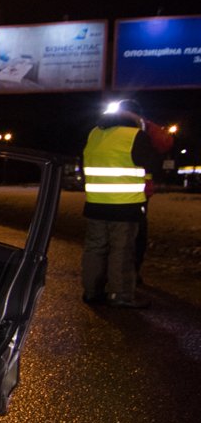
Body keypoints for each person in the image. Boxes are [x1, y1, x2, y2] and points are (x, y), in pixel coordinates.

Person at [80, 99, 160, 307]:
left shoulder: (94, 134)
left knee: (95, 248)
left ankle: (92, 291)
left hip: (96, 204)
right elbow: (151, 164)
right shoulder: (135, 136)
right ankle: (120, 294)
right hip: (125, 206)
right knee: (122, 250)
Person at [135, 116, 174, 284]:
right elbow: (165, 143)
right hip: (134, 193)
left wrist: (146, 124)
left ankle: (127, 275)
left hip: (137, 193)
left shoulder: (144, 128)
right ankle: (123, 279)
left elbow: (165, 142)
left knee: (131, 236)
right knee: (132, 235)